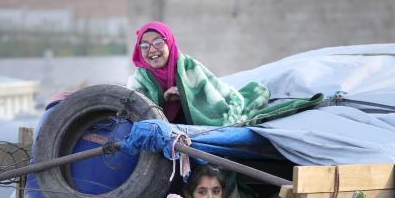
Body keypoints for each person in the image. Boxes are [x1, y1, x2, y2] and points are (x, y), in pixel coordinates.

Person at [127, 21, 320, 126]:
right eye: (144, 45)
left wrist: (187, 96)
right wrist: (163, 101)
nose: (152, 50)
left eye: (158, 42)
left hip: (196, 129)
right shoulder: (138, 80)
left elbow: (221, 95)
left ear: (169, 42)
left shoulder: (188, 67)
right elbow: (135, 117)